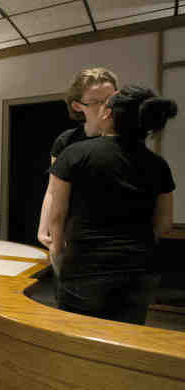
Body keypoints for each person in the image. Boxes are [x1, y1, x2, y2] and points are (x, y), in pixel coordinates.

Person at [47, 85, 177, 324]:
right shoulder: (158, 164)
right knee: (126, 340)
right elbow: (165, 222)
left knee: (78, 340)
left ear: (107, 114)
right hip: (139, 270)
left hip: (84, 268)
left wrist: (57, 250)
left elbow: (57, 216)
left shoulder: (75, 154)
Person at [38, 68, 118, 247]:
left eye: (111, 100)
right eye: (98, 102)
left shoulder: (126, 139)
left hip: (112, 237)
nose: (108, 107)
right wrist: (44, 228)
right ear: (78, 106)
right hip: (73, 234)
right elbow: (53, 190)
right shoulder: (66, 141)